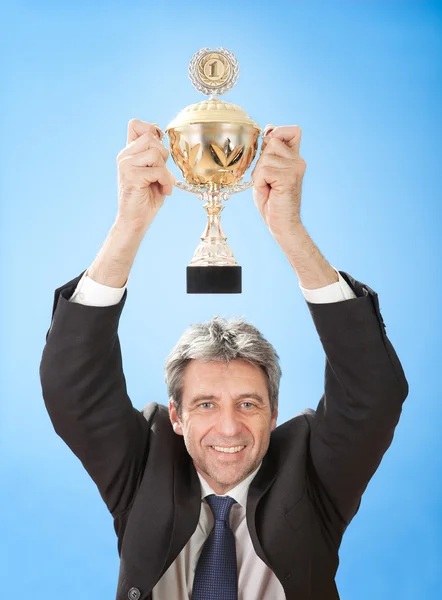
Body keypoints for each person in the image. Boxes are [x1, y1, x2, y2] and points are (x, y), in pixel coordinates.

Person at [39, 120, 408, 600]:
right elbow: (73, 386)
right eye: (206, 404)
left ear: (275, 413)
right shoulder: (143, 466)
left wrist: (289, 229)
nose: (230, 428)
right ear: (175, 414)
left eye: (249, 404)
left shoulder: (313, 472)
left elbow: (373, 394)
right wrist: (129, 223)